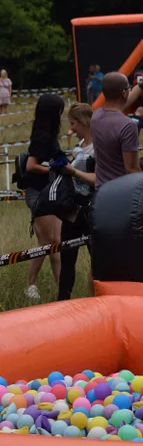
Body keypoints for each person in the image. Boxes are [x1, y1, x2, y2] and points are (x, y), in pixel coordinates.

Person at [24, 93, 65, 300]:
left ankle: (61, 287)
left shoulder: (49, 134)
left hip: (52, 191)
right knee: (45, 242)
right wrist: (53, 168)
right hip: (40, 193)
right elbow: (31, 165)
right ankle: (30, 284)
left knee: (56, 241)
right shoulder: (42, 137)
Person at [90, 65, 143, 190]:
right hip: (121, 193)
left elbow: (119, 104)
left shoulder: (96, 116)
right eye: (128, 88)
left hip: (101, 191)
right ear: (124, 93)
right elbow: (132, 168)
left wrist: (142, 84)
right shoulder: (127, 125)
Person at [58, 103, 96, 301]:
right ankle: (63, 302)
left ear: (83, 121)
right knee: (67, 260)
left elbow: (100, 178)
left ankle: (97, 302)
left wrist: (74, 172)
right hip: (73, 210)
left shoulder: (98, 146)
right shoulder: (79, 145)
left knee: (97, 262)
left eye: (73, 122)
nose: (71, 127)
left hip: (92, 209)